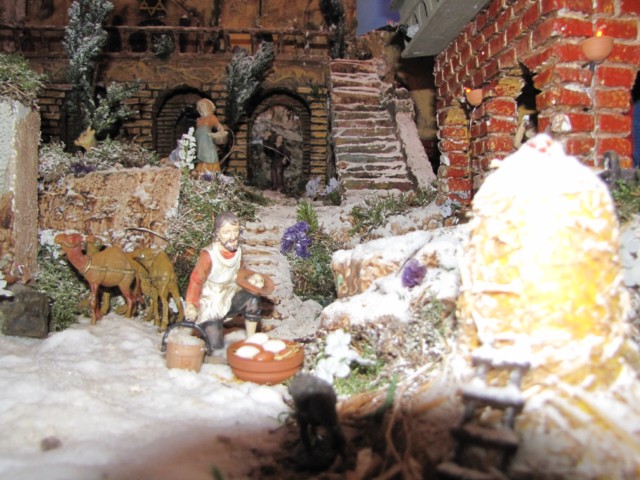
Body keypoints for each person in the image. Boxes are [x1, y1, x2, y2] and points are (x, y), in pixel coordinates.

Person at [184, 212, 261, 350]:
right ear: (217, 234)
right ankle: (211, 338)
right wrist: (191, 304)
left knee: (253, 300)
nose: (233, 236)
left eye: (236, 230)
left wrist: (251, 278)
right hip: (212, 300)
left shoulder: (237, 250)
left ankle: (251, 342)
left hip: (230, 293)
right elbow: (196, 280)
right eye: (226, 232)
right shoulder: (209, 255)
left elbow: (240, 271)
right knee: (215, 345)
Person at [193, 98, 226, 174]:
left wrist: (220, 132)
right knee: (200, 159)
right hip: (200, 144)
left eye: (202, 105)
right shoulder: (198, 120)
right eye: (198, 106)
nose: (199, 107)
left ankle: (212, 174)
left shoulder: (211, 117)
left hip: (207, 143)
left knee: (210, 158)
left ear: (207, 106)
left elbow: (220, 127)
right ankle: (201, 174)